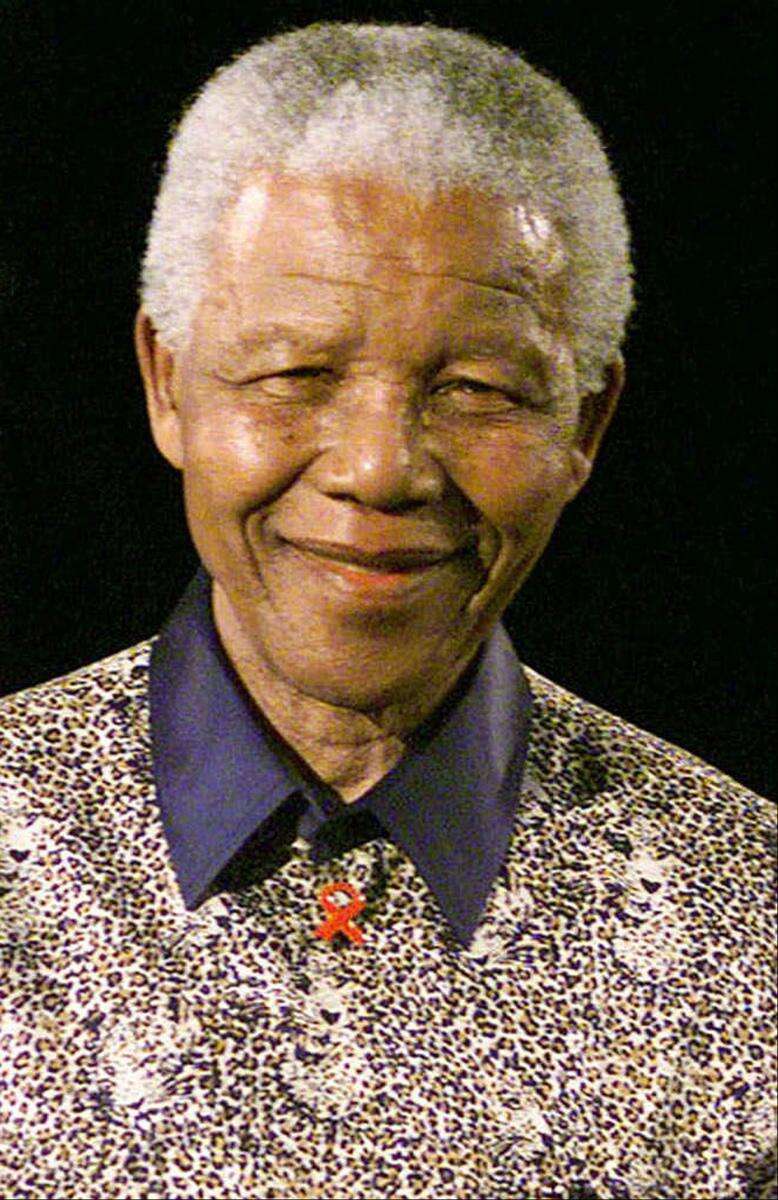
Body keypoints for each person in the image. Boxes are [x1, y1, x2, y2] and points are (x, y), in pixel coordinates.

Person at [0, 21, 774, 1200]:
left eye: (476, 389)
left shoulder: (749, 921)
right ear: (169, 383)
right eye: (295, 375)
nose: (379, 469)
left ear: (584, 424)